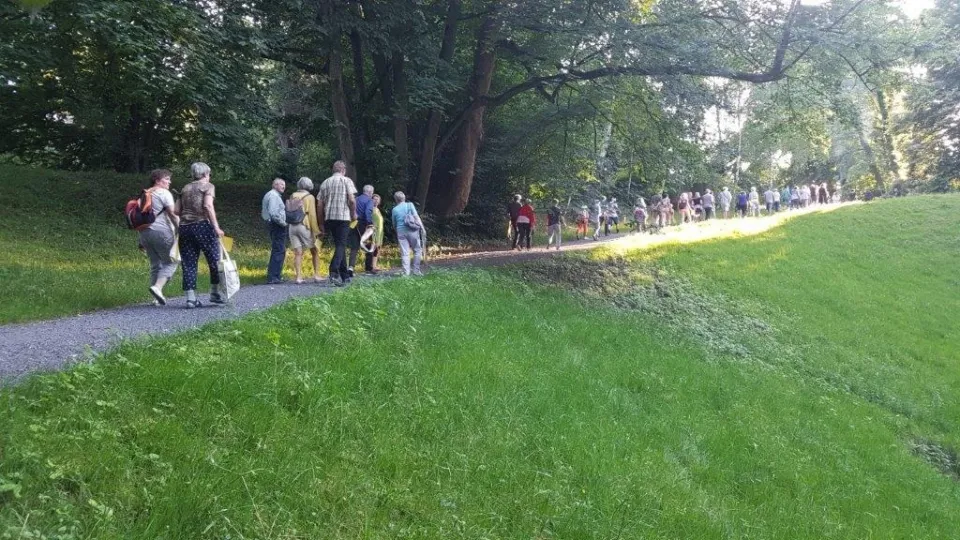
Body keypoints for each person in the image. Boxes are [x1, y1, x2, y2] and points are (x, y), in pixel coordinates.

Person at [176, 162, 225, 309]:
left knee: (188, 262)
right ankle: (214, 293)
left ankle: (191, 299)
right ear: (205, 174)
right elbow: (208, 206)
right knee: (214, 259)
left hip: (184, 228)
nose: (209, 176)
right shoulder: (208, 186)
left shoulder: (185, 188)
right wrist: (216, 227)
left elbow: (176, 210)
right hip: (202, 225)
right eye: (209, 174)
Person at [140, 169, 179, 306]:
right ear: (157, 180)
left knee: (155, 264)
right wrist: (180, 229)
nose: (169, 182)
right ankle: (158, 287)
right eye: (166, 179)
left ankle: (156, 298)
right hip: (162, 232)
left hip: (145, 233)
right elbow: (172, 214)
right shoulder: (164, 193)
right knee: (172, 261)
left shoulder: (144, 194)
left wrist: (140, 240)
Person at [317, 160, 358, 286]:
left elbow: (319, 205)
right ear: (343, 170)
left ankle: (345, 276)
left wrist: (321, 223)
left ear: (333, 170)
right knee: (341, 245)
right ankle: (333, 272)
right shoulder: (346, 181)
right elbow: (352, 200)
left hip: (329, 217)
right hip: (343, 217)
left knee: (340, 245)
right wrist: (353, 214)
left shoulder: (325, 182)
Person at [288, 177, 322, 284]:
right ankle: (317, 275)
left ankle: (298, 277)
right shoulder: (310, 197)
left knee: (298, 252)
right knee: (314, 251)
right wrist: (316, 231)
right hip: (304, 225)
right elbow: (312, 215)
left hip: (292, 226)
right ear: (309, 185)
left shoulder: (293, 195)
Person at [261, 178, 288, 284]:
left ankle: (275, 276)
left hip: (273, 224)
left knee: (277, 249)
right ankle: (274, 277)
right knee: (279, 250)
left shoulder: (271, 195)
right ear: (275, 185)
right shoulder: (273, 196)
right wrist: (283, 223)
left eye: (284, 184)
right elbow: (273, 213)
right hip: (277, 225)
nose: (283, 186)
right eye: (281, 184)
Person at [392, 191, 423, 276]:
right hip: (412, 230)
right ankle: (416, 271)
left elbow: (394, 223)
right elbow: (416, 217)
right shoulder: (410, 205)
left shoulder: (394, 210)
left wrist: (397, 231)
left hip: (401, 231)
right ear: (404, 198)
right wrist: (422, 227)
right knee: (417, 250)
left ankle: (406, 272)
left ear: (396, 200)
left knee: (405, 252)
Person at [351, 184, 376, 276]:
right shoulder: (369, 200)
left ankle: (350, 268)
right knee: (369, 244)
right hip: (364, 224)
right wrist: (370, 223)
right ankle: (368, 268)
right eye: (372, 192)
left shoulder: (356, 199)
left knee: (354, 246)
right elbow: (368, 212)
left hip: (354, 224)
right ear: (370, 192)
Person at [369, 194, 385, 273]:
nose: (376, 201)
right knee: (373, 248)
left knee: (377, 248)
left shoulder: (377, 209)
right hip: (373, 231)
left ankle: (374, 266)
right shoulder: (371, 209)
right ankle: (371, 266)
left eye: (378, 199)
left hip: (379, 232)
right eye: (374, 199)